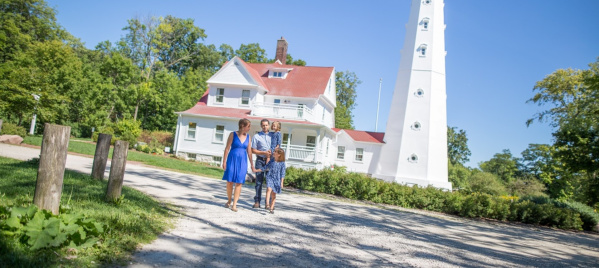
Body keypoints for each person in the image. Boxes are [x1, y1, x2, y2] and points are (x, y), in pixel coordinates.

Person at [222, 119, 256, 212]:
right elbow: (227, 148)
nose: (249, 128)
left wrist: (252, 164)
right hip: (232, 160)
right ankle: (229, 200)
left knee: (239, 182)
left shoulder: (248, 137)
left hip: (242, 161)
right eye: (248, 126)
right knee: (229, 181)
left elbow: (249, 151)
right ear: (242, 126)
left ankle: (234, 204)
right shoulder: (232, 134)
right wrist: (224, 161)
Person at [251, 119, 272, 208]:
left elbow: (277, 147)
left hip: (271, 161)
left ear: (269, 125)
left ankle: (268, 203)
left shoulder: (273, 136)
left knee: (270, 182)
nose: (265, 127)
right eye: (263, 125)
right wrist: (264, 153)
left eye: (266, 125)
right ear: (261, 126)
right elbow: (253, 150)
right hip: (260, 160)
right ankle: (257, 201)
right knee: (259, 182)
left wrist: (269, 156)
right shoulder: (256, 136)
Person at [264, 148, 286, 214]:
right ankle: (267, 204)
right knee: (269, 189)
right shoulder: (272, 160)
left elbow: (282, 173)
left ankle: (271, 208)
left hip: (277, 179)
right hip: (270, 177)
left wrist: (281, 182)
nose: (274, 152)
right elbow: (266, 166)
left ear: (279, 154)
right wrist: (258, 170)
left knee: (273, 194)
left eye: (275, 152)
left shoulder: (282, 163)